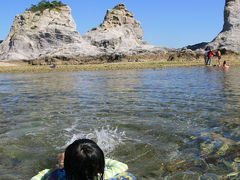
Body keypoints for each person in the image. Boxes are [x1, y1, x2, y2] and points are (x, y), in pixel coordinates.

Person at [31, 139, 136, 180]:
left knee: (60, 161)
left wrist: (53, 170)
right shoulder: (106, 177)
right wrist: (94, 158)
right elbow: (123, 166)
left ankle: (64, 159)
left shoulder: (58, 175)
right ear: (99, 168)